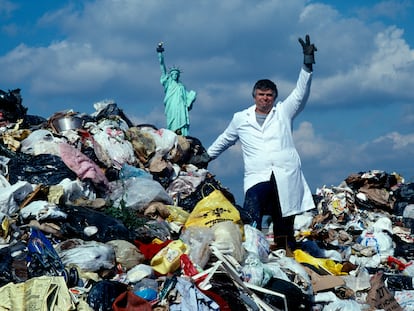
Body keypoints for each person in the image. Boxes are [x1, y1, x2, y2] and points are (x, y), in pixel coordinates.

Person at [207, 35, 317, 251]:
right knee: (252, 215)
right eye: (261, 94)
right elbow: (225, 139)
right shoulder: (241, 118)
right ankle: (251, 250)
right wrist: (205, 157)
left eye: (269, 95)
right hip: (258, 175)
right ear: (254, 96)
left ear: (275, 97)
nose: (265, 98)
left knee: (284, 219)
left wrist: (307, 64)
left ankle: (286, 252)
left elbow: (301, 92)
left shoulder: (283, 112)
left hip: (285, 174)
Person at [156, 42, 197, 136]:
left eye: (176, 74)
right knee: (172, 121)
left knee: (181, 121)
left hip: (181, 106)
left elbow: (188, 98)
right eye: (173, 74)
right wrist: (160, 53)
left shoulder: (181, 86)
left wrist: (192, 96)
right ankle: (172, 135)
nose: (174, 75)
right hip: (171, 105)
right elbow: (162, 66)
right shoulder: (168, 82)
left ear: (178, 76)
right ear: (170, 75)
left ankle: (183, 135)